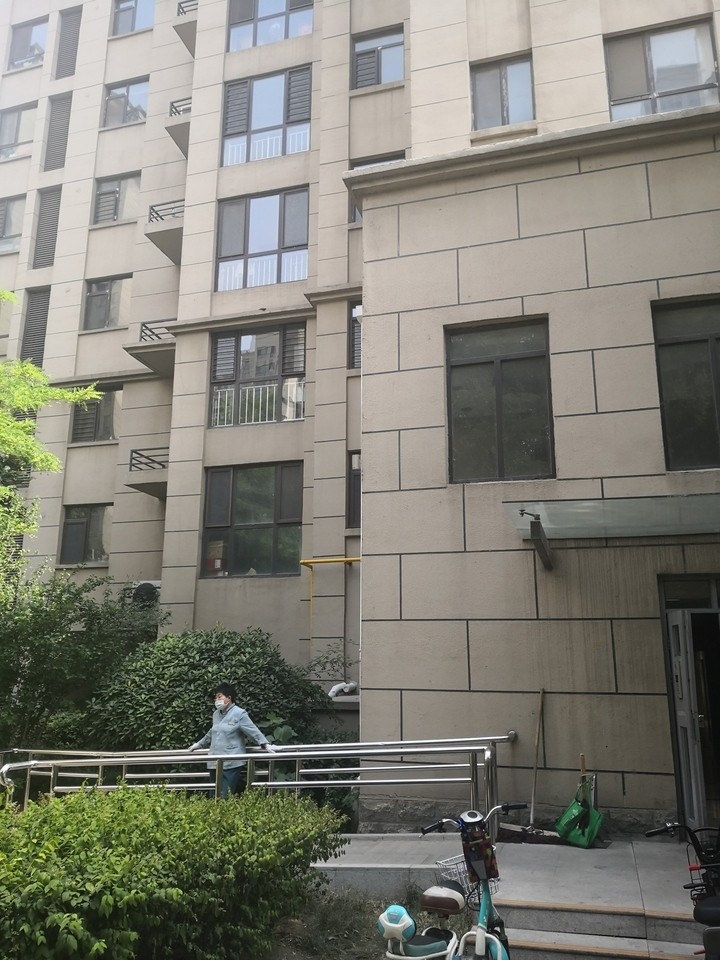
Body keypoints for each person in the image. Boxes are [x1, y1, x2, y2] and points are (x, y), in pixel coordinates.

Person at [188, 683, 276, 797]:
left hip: (231, 761)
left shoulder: (239, 713)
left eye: (219, 697)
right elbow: (212, 732)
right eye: (215, 698)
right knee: (213, 795)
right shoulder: (216, 714)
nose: (217, 700)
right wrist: (199, 744)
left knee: (225, 795)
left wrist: (265, 744)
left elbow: (252, 730)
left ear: (229, 698)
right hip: (214, 759)